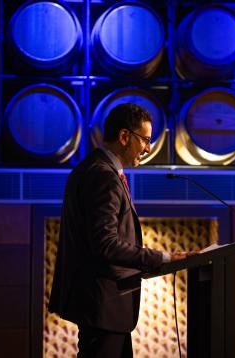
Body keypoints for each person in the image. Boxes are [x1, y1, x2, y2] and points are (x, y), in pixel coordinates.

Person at [48, 103, 191, 358]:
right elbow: (106, 244)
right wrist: (163, 258)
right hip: (102, 306)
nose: (148, 148)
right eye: (145, 140)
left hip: (103, 308)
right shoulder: (103, 175)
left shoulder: (94, 167)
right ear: (125, 136)